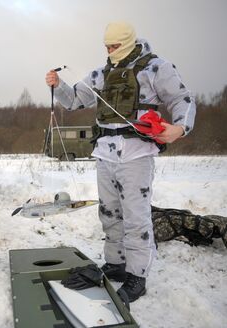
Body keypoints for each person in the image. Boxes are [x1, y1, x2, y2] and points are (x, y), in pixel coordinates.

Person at [45, 22, 196, 303]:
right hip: (104, 153)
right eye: (107, 47)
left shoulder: (156, 68)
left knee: (136, 217)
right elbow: (75, 100)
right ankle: (115, 264)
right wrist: (59, 84)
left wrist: (180, 128)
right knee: (109, 213)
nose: (110, 51)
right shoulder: (102, 74)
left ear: (127, 43)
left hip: (136, 153)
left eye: (115, 46)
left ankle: (137, 275)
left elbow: (182, 100)